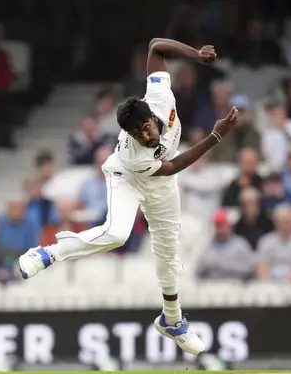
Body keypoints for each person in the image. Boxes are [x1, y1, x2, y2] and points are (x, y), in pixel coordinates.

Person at [18, 37, 238, 356]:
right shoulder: (136, 152)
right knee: (117, 234)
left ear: (151, 114)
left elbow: (155, 46)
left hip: (160, 181)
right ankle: (49, 253)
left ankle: (172, 320)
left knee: (167, 253)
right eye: (139, 133)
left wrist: (194, 55)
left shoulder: (160, 95)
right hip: (129, 176)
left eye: (147, 127)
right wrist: (216, 135)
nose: (147, 135)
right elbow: (174, 164)